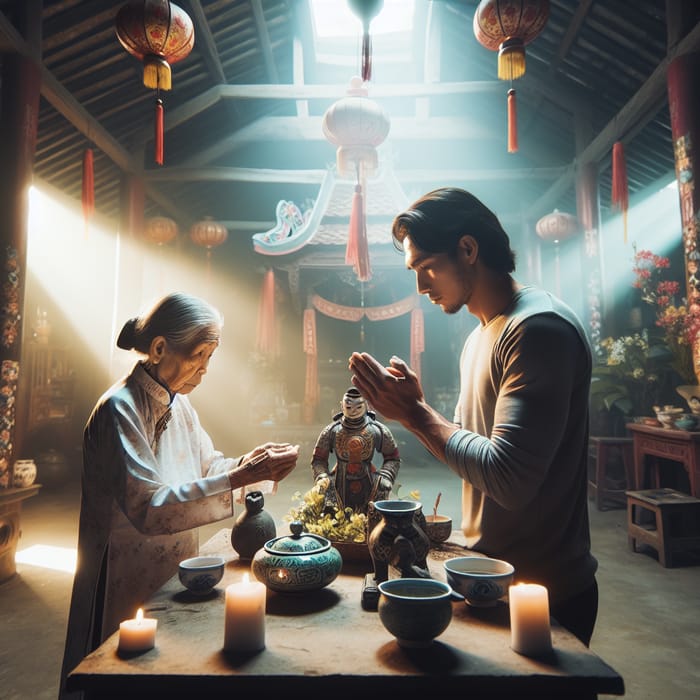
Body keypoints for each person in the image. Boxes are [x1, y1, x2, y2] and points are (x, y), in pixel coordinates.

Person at [348, 187, 598, 646]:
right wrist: (413, 413)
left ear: (467, 250)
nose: (421, 286)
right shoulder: (481, 336)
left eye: (427, 267)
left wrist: (418, 415)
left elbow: (509, 477)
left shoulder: (537, 330)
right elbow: (472, 446)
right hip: (487, 579)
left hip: (544, 593)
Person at [59, 292, 299, 699]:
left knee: (169, 670)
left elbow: (209, 469)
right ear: (158, 348)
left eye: (211, 357)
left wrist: (254, 468)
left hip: (174, 568)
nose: (205, 369)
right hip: (120, 572)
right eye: (200, 354)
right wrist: (241, 476)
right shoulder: (119, 408)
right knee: (121, 676)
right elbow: (149, 507)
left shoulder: (180, 405)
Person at [311, 387, 400, 514]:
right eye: (349, 407)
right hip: (338, 484)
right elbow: (318, 460)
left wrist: (385, 476)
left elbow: (393, 458)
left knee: (373, 515)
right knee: (333, 516)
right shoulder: (331, 431)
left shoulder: (378, 430)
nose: (353, 411)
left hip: (370, 484)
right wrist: (323, 478)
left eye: (358, 407)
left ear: (367, 406)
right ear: (342, 406)